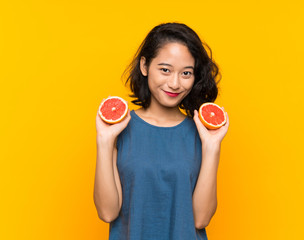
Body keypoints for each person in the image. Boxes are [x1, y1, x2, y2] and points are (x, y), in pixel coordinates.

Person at [94, 22, 229, 240]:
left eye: (186, 73)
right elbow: (107, 212)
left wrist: (212, 147)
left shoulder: (202, 134)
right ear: (145, 66)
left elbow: (201, 219)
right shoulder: (119, 129)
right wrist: (103, 141)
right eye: (165, 70)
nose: (175, 83)